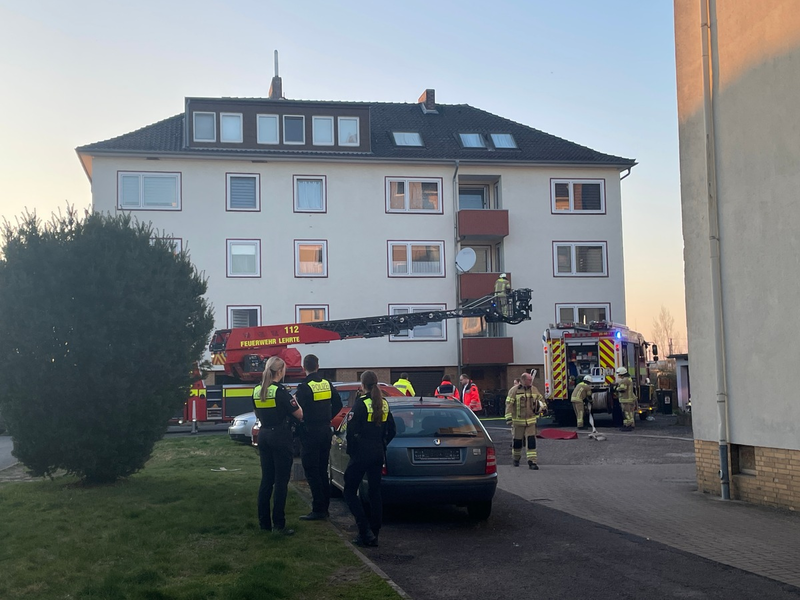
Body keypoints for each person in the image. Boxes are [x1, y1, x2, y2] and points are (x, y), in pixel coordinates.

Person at [344, 370, 396, 547]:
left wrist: (352, 452)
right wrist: (382, 445)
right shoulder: (384, 403)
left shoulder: (360, 404)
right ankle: (375, 533)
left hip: (361, 453)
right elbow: (392, 430)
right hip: (377, 453)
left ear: (362, 385)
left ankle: (364, 530)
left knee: (349, 491)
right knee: (375, 493)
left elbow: (351, 432)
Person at [252, 356, 303, 535]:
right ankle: (279, 525)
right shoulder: (281, 391)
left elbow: (257, 413)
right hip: (280, 436)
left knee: (267, 480)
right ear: (280, 371)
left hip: (264, 435)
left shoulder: (257, 389)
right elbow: (299, 414)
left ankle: (264, 523)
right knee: (281, 482)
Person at [295, 354, 343, 521]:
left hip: (310, 431)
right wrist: (327, 417)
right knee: (322, 470)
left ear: (304, 367)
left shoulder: (304, 387)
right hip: (325, 430)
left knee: (311, 470)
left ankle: (318, 509)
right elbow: (339, 404)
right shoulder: (327, 384)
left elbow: (298, 411)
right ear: (318, 366)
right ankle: (325, 508)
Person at [505, 372, 547, 469]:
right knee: (517, 442)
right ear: (523, 380)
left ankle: (532, 462)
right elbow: (509, 405)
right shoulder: (514, 391)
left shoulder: (534, 389)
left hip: (530, 421)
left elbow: (541, 400)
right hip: (518, 422)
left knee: (531, 441)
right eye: (529, 380)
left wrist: (544, 408)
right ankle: (516, 458)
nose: (531, 381)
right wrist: (509, 418)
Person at [615, 367, 637, 431]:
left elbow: (623, 388)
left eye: (619, 374)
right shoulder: (629, 379)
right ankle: (629, 424)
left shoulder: (624, 380)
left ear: (622, 374)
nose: (618, 375)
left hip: (626, 399)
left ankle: (628, 425)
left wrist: (616, 388)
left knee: (626, 413)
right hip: (630, 399)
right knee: (630, 413)